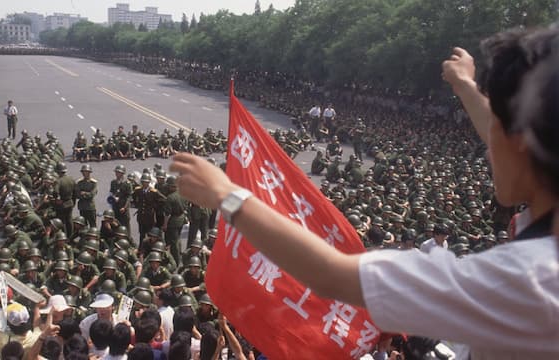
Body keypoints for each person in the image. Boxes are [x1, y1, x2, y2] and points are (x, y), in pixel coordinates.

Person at [170, 26, 559, 359]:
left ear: (520, 143)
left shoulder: (524, 283)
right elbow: (508, 135)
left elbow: (329, 274)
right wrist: (466, 87)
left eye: (497, 133)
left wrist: (228, 196)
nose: (488, 144)